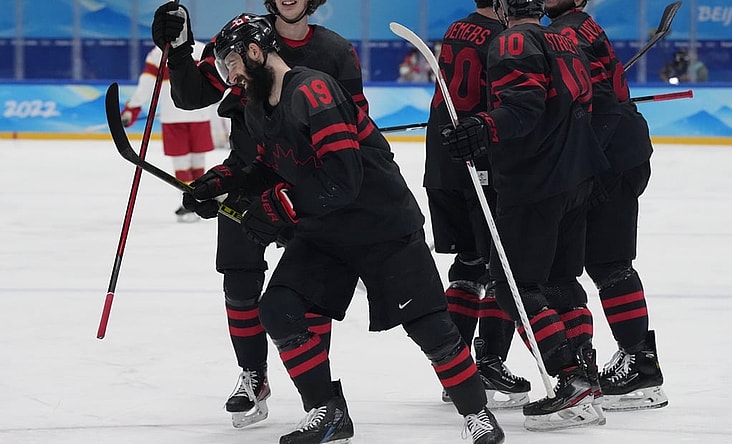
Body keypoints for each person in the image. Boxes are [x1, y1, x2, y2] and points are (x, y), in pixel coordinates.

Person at [193, 14, 505, 444]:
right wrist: (221, 183)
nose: (230, 78)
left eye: (231, 64)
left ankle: (477, 413)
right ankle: (328, 411)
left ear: (254, 51)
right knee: (278, 308)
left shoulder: (313, 91)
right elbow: (269, 166)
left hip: (382, 226)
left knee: (432, 330)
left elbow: (343, 179)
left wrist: (274, 208)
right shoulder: (258, 106)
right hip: (326, 232)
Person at [150, 0, 367, 428]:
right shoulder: (240, 38)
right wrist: (177, 51)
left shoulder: (335, 50)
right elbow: (192, 95)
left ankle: (319, 392)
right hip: (249, 177)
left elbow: (357, 118)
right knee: (239, 279)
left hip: (308, 184)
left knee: (311, 290)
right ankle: (254, 376)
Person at [442, 0, 610, 430]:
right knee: (560, 281)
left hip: (536, 182)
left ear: (503, 7)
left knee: (514, 285)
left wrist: (483, 127)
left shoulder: (513, 39)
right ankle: (586, 375)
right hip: (577, 177)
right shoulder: (563, 38)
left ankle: (569, 379)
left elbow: (523, 107)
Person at [546, 0, 667, 412]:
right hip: (623, 150)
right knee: (605, 262)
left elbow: (598, 106)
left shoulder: (567, 30)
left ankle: (641, 366)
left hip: (611, 157)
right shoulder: (577, 25)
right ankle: (638, 358)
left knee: (609, 262)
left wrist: (591, 167)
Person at [425, 0, 530, 409]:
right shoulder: (506, 39)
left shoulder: (456, 29)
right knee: (500, 263)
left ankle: (457, 370)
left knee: (468, 264)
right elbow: (511, 106)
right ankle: (488, 362)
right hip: (479, 162)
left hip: (442, 163)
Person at [120, 42, 215, 223]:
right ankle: (199, 200)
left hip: (174, 115)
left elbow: (145, 86)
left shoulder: (159, 53)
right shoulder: (202, 49)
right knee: (197, 162)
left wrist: (132, 108)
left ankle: (191, 203)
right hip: (199, 113)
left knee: (182, 163)